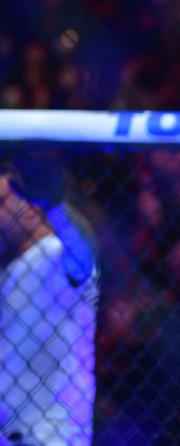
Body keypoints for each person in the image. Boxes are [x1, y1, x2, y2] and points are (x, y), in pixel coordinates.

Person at [0, 152, 99, 446]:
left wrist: (54, 206)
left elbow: (84, 254)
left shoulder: (55, 255)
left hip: (50, 438)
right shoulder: (11, 270)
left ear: (30, 208)